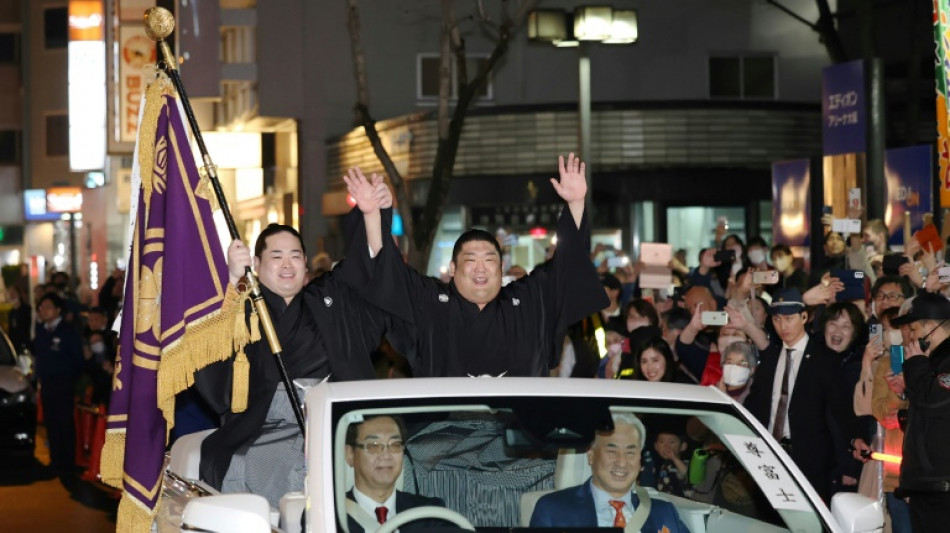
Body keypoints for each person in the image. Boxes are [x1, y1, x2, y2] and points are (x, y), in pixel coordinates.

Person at [342, 154, 608, 378]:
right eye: (471, 260)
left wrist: (575, 204)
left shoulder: (528, 301)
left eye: (490, 260)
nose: (481, 268)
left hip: (517, 435)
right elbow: (386, 274)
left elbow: (567, 268)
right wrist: (373, 215)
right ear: (453, 268)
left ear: (501, 268)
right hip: (444, 435)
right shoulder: (430, 302)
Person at [192, 215, 392, 506]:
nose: (288, 264)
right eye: (277, 256)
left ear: (306, 264)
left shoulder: (330, 301)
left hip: (333, 425)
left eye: (295, 256)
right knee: (267, 463)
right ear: (256, 267)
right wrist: (232, 280)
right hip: (263, 428)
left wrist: (373, 214)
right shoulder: (238, 312)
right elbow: (213, 373)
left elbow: (369, 269)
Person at [745, 288, 840, 501]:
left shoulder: (824, 360)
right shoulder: (770, 359)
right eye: (777, 319)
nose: (783, 326)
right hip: (770, 456)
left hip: (810, 459)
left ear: (804, 317)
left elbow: (836, 414)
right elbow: (756, 405)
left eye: (789, 318)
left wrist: (845, 466)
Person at [529, 413, 688, 531]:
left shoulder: (664, 512)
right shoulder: (553, 510)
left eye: (630, 452)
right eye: (612, 451)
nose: (621, 462)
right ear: (591, 455)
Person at [891, 291, 950, 530]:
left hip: (942, 491)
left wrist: (915, 363)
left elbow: (934, 400)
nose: (909, 338)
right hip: (928, 487)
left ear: (932, 328)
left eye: (913, 330)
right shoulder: (932, 361)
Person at [344, 415, 447, 532]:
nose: (386, 455)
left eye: (395, 445)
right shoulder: (329, 513)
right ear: (350, 454)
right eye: (374, 445)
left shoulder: (429, 513)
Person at [33, 293, 85, 477]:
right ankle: (55, 461)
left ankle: (68, 463)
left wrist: (69, 379)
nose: (42, 310)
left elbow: (78, 360)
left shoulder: (67, 332)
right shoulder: (41, 330)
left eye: (47, 307)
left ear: (58, 310)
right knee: (51, 423)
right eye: (41, 307)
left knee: (64, 423)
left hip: (63, 384)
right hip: (46, 384)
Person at [716, 340, 757, 405]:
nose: (734, 367)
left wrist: (724, 398)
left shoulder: (756, 395)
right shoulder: (714, 390)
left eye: (741, 363)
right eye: (729, 362)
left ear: (752, 370)